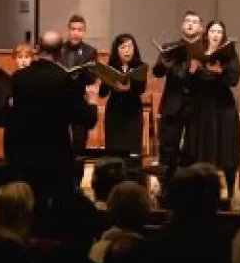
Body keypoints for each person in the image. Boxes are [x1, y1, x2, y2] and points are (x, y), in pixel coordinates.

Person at [8, 31, 99, 204]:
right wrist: (93, 105)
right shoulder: (65, 80)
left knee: (29, 202)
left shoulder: (19, 78)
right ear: (59, 53)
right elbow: (86, 118)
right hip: (55, 153)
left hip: (24, 151)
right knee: (57, 204)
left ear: (38, 49)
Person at [184, 20, 240, 200]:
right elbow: (188, 85)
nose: (215, 35)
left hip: (223, 107)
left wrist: (220, 71)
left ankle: (230, 192)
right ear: (206, 34)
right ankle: (199, 191)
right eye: (212, 31)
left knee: (227, 149)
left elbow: (234, 80)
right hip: (202, 108)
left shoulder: (229, 54)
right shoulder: (198, 53)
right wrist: (191, 72)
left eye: (219, 32)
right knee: (202, 149)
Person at [153, 10, 204, 197]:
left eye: (194, 22)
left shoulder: (205, 49)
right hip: (173, 104)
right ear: (182, 26)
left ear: (201, 27)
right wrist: (165, 64)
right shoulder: (171, 47)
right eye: (187, 21)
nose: (190, 24)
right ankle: (166, 188)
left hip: (197, 106)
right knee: (167, 148)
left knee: (194, 149)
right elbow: (157, 72)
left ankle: (194, 190)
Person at [97, 33, 147, 164]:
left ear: (134, 49)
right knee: (114, 152)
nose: (127, 50)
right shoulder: (111, 67)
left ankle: (133, 175)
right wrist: (108, 80)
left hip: (133, 113)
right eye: (123, 47)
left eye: (130, 46)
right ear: (117, 50)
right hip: (114, 113)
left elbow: (141, 89)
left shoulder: (140, 66)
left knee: (133, 151)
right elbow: (102, 93)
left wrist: (130, 88)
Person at [60, 14, 98, 166]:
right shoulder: (60, 49)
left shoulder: (90, 51)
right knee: (60, 141)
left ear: (84, 32)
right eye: (73, 29)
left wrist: (79, 73)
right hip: (60, 100)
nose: (76, 33)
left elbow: (92, 78)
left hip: (79, 100)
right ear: (68, 31)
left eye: (80, 30)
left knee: (79, 143)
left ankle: (77, 174)